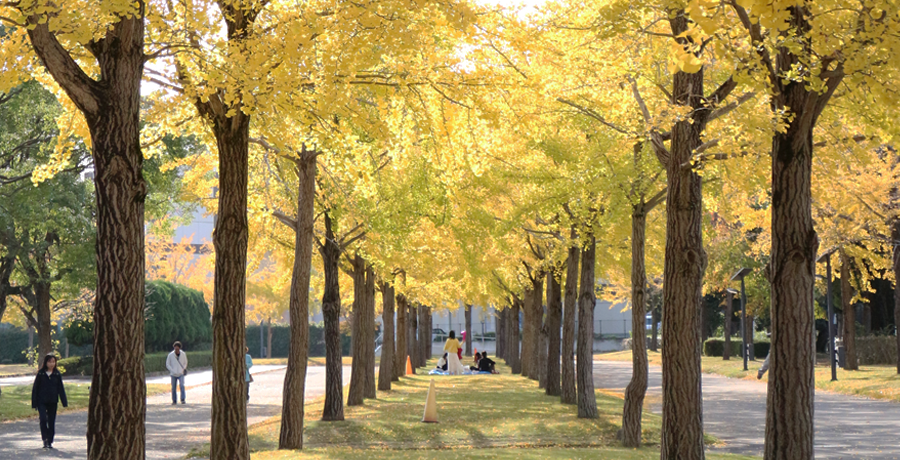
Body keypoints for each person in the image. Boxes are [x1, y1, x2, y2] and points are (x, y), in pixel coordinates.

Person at [31, 354, 67, 449]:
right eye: (50, 362)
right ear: (46, 362)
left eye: (53, 362)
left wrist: (64, 402)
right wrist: (34, 403)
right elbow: (35, 388)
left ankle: (50, 440)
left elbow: (61, 388)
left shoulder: (56, 374)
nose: (51, 364)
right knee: (43, 419)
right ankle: (45, 438)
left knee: (51, 421)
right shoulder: (41, 374)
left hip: (53, 401)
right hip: (41, 401)